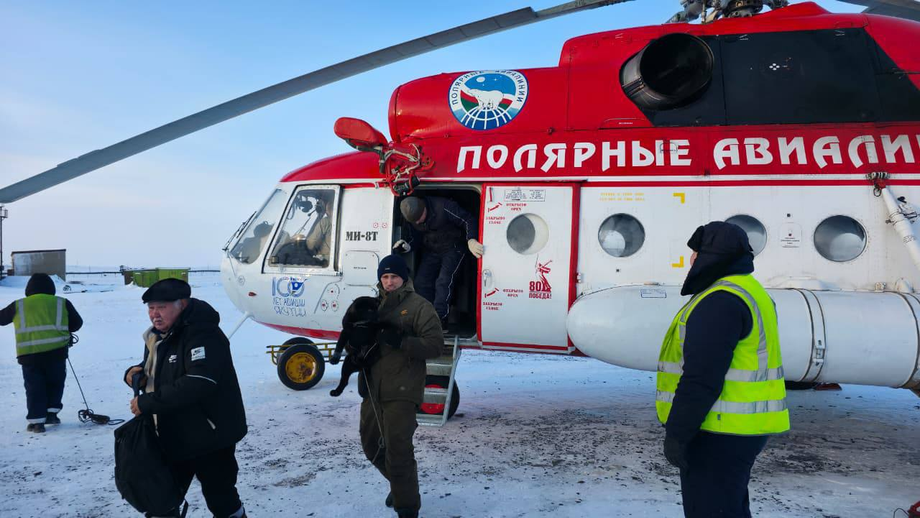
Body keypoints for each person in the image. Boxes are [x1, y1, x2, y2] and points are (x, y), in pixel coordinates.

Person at [656, 221, 790, 518]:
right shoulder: (747, 290)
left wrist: (678, 434)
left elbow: (701, 378)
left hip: (718, 431)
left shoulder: (720, 300)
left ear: (712, 255)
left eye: (696, 252)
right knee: (728, 507)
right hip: (739, 430)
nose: (691, 259)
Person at [123, 278, 247, 518]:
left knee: (221, 498)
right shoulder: (160, 336)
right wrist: (133, 374)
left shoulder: (203, 333)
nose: (154, 315)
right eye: (151, 308)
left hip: (210, 436)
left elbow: (200, 381)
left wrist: (148, 402)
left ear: (182, 304)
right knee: (161, 499)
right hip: (173, 433)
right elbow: (159, 368)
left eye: (161, 307)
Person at [351, 255, 443, 518]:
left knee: (398, 452)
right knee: (371, 447)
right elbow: (352, 336)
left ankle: (407, 507)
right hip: (371, 388)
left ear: (404, 278)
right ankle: (402, 486)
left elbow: (436, 345)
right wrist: (354, 344)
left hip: (402, 390)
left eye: (394, 277)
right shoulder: (370, 305)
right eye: (385, 277)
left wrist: (402, 341)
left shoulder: (419, 307)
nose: (389, 282)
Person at [0, 273, 83, 433]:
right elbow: (77, 323)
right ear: (51, 288)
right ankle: (52, 415)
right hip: (56, 353)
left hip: (29, 355)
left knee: (34, 387)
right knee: (55, 383)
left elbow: (1, 319)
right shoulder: (62, 303)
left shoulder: (19, 305)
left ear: (28, 289)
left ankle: (37, 422)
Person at [394, 196, 483, 326]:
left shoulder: (444, 206)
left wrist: (471, 239)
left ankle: (439, 319)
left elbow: (468, 220)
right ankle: (425, 317)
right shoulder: (414, 220)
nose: (418, 222)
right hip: (432, 249)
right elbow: (417, 238)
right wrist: (408, 246)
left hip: (454, 247)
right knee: (421, 282)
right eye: (415, 221)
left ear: (424, 208)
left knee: (443, 281)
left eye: (419, 218)